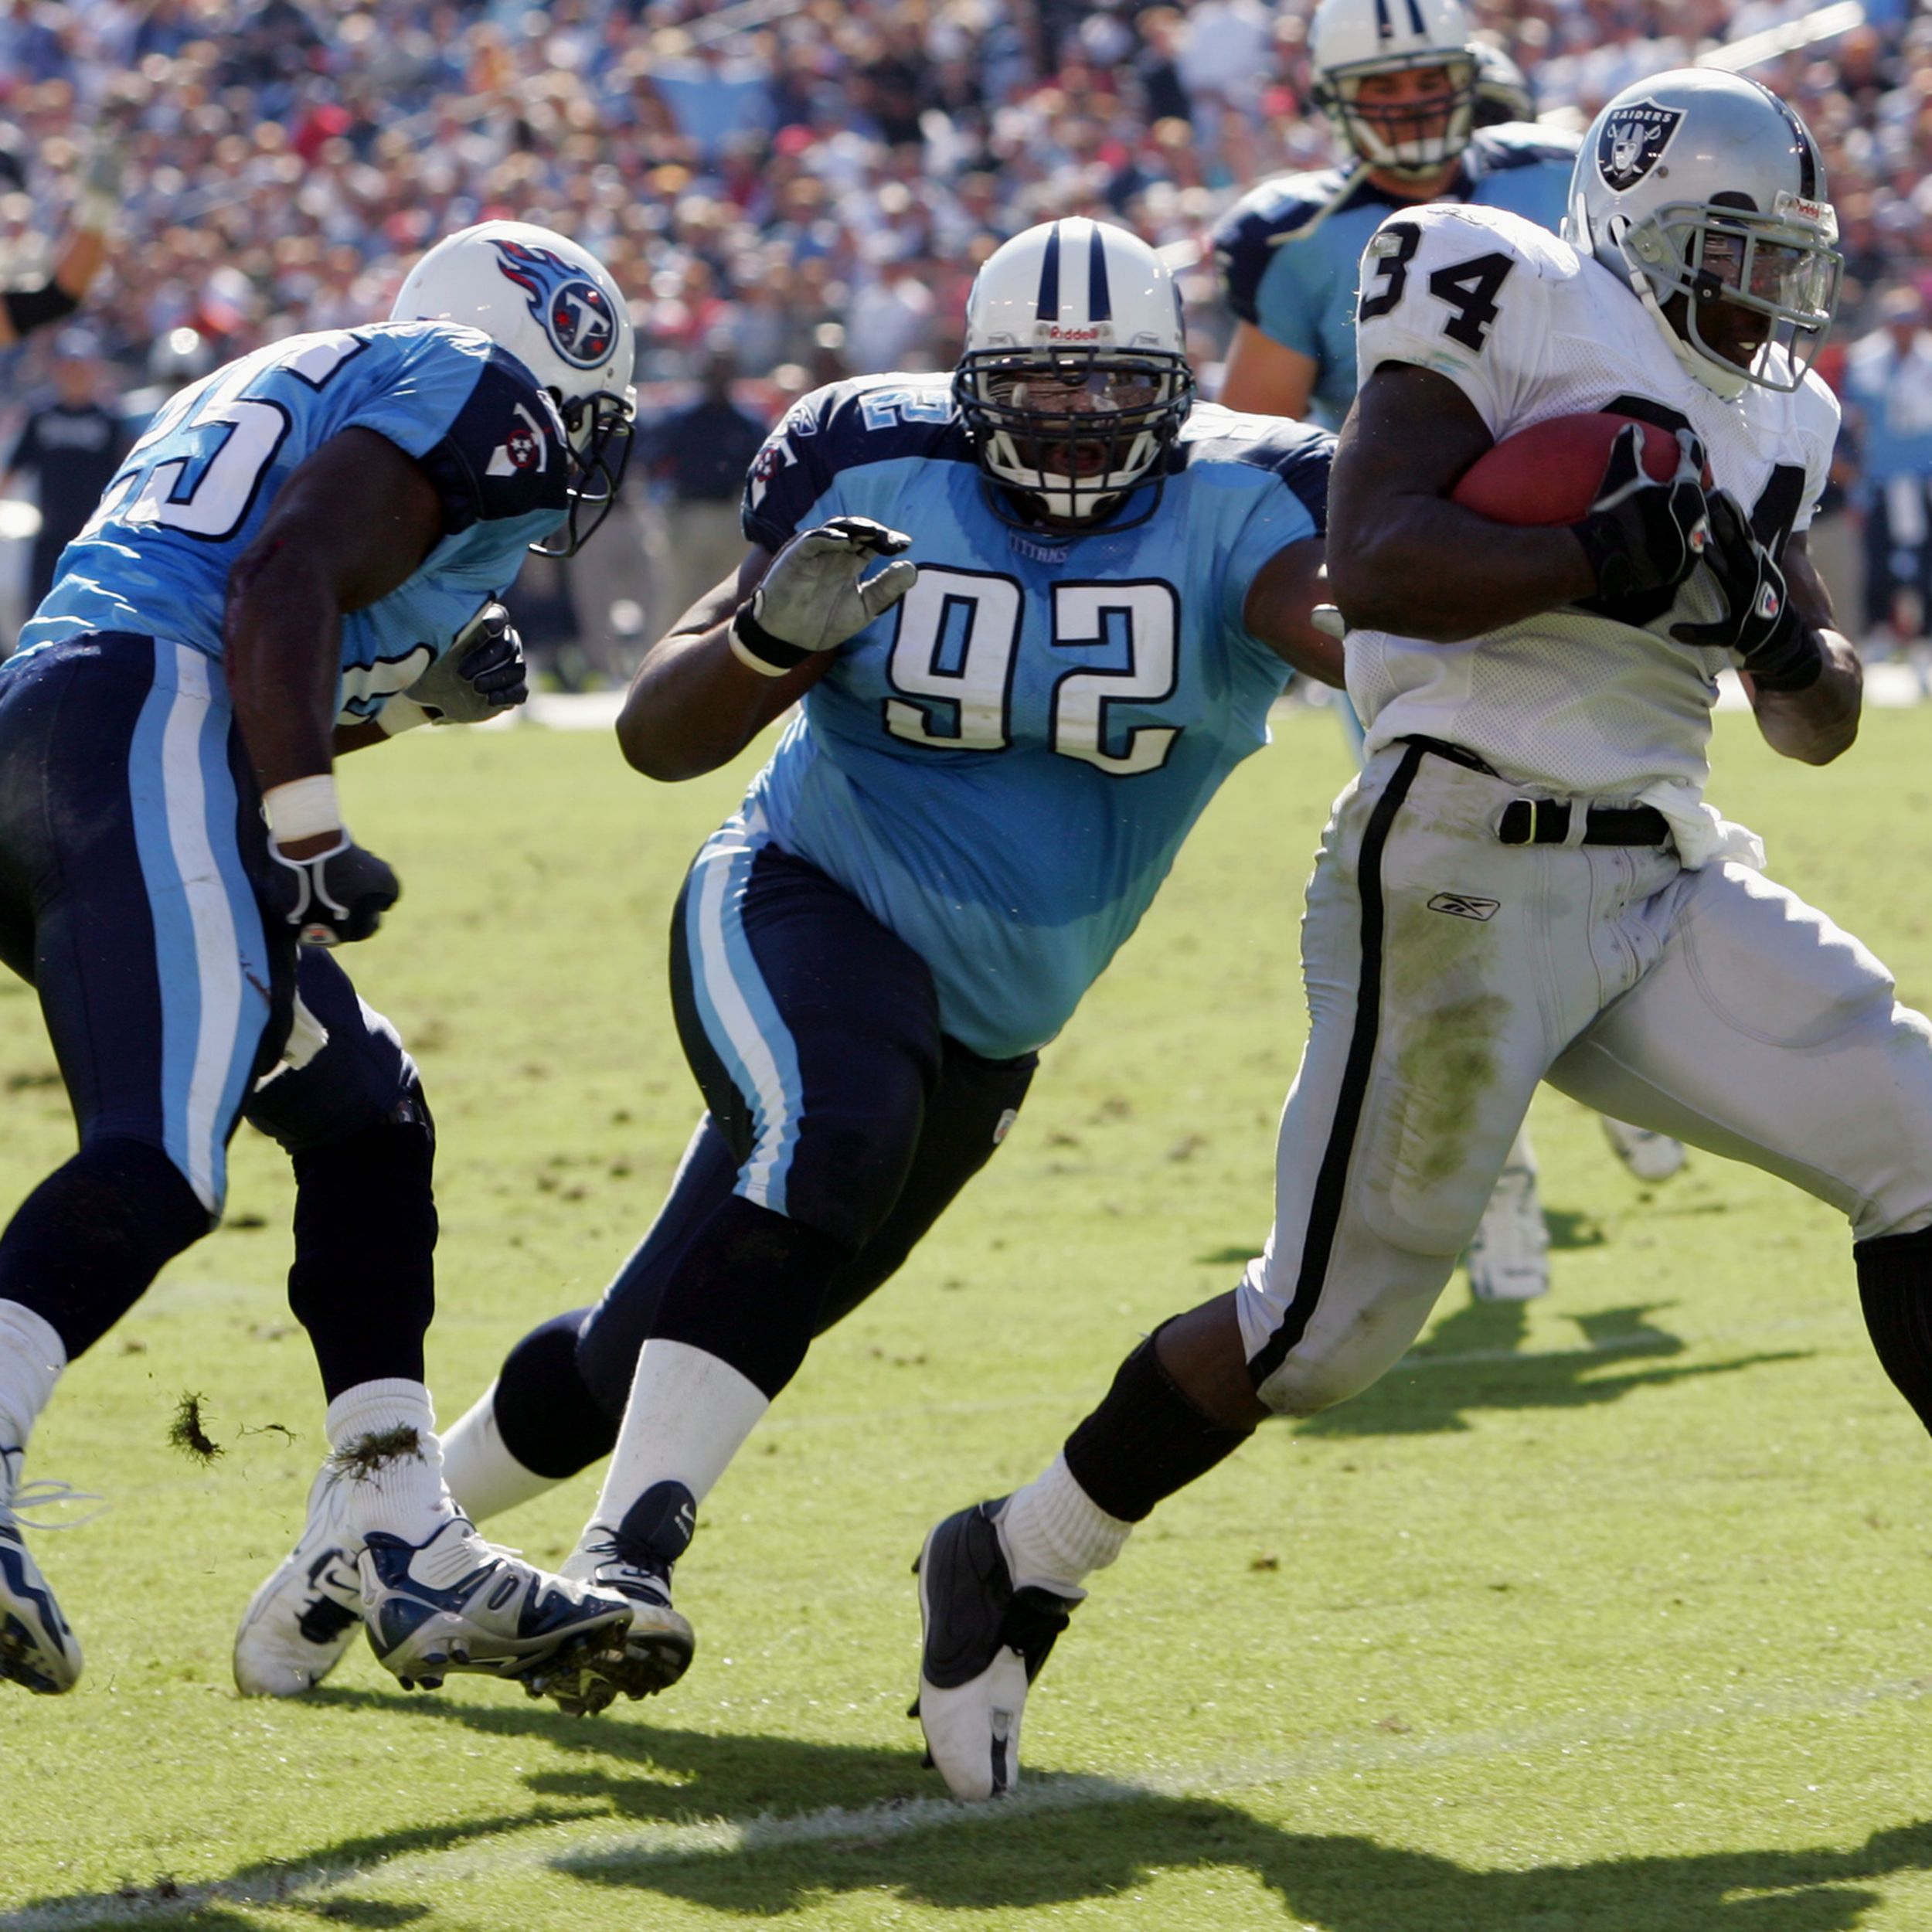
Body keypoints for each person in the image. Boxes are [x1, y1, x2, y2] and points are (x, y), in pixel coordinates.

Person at [910, 70, 1929, 1804]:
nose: (1772, 288)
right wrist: (1587, 557)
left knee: (1919, 1138)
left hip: (1662, 870)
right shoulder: (1489, 281)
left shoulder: (1783, 415)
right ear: (1638, 224)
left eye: (1788, 254)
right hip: (1458, 862)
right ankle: (1021, 1547)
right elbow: (1371, 560)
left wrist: (1767, 627)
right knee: (1320, 1330)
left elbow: (1820, 717)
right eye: (1736, 247)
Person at [236, 216, 1343, 1714]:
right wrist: (766, 635)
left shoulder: (1252, 492)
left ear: (1176, 388)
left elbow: (1348, 623)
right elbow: (656, 732)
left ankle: (358, 1541)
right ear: (971, 380)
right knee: (832, 1128)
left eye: (1109, 388)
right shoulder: (871, 454)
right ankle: (629, 1556)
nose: (1073, 422)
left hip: (996, 1018)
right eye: (1038, 387)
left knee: (654, 1341)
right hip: (803, 891)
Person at [0, 219, 642, 1699]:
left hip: (80, 733)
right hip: (135, 731)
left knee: (365, 1112)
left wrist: (392, 716)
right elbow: (277, 582)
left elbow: (249, 619)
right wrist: (305, 834)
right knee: (164, 1155)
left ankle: (395, 1519)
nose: (572, 457)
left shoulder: (292, 378)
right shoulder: (479, 384)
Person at [1214, 0, 1678, 1300]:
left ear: (1469, 78)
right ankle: (1503, 1164)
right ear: (1333, 101)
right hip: (1417, 589)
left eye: (1430, 81)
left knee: (1632, 819)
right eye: (1386, 86)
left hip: (1581, 563)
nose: (1413, 108)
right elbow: (1253, 446)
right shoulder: (1291, 237)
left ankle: (1610, 1045)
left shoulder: (1554, 171)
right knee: (1448, 878)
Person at [4, 329, 133, 622]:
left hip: (95, 537)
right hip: (50, 536)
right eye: (69, 367)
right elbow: (13, 469)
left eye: (81, 367)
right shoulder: (41, 415)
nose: (75, 375)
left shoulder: (110, 419)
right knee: (41, 615)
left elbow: (127, 477)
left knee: (89, 618)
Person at [642, 342, 772, 628]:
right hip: (688, 513)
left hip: (731, 515)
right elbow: (653, 462)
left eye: (725, 368)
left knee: (732, 600)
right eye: (714, 368)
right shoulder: (681, 418)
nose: (719, 375)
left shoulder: (748, 422)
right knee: (678, 598)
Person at [1842, 286, 1932, 658]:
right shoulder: (1865, 360)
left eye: (1909, 322)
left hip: (1924, 477)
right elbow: (1855, 421)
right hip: (1880, 477)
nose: (1903, 330)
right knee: (1878, 560)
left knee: (1925, 561)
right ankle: (1879, 629)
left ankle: (1925, 638)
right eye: (1897, 322)